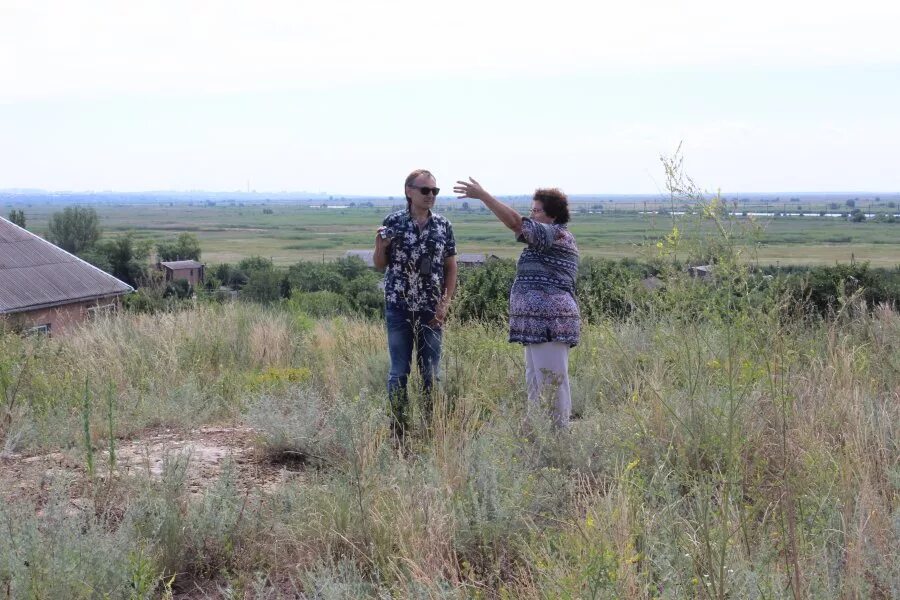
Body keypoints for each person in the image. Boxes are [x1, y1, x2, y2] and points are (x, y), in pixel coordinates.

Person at [453, 178, 580, 428]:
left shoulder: (556, 235)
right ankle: (540, 438)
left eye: (536, 211)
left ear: (552, 216)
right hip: (538, 326)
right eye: (531, 210)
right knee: (536, 383)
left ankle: (559, 441)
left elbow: (515, 223)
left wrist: (484, 196)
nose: (531, 215)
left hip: (551, 324)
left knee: (552, 383)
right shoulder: (547, 236)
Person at [374, 169, 458, 440]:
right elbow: (379, 265)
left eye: (434, 191)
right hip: (399, 306)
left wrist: (444, 304)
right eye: (425, 190)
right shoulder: (393, 222)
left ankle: (432, 428)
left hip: (431, 309)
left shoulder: (443, 226)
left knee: (431, 372)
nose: (430, 196)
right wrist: (379, 245)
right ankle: (398, 428)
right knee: (399, 370)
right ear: (409, 191)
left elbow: (451, 267)